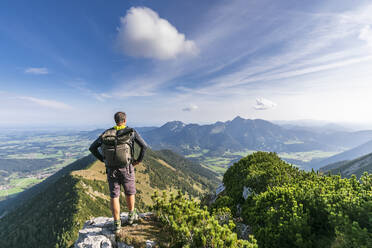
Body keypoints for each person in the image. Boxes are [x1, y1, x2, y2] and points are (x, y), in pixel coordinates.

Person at [89, 111, 147, 234]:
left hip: (111, 169)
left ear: (115, 120)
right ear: (125, 120)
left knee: (114, 195)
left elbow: (92, 148)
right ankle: (131, 216)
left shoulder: (106, 134)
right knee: (130, 192)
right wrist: (138, 161)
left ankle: (117, 224)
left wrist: (103, 159)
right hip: (127, 167)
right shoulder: (131, 132)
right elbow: (144, 146)